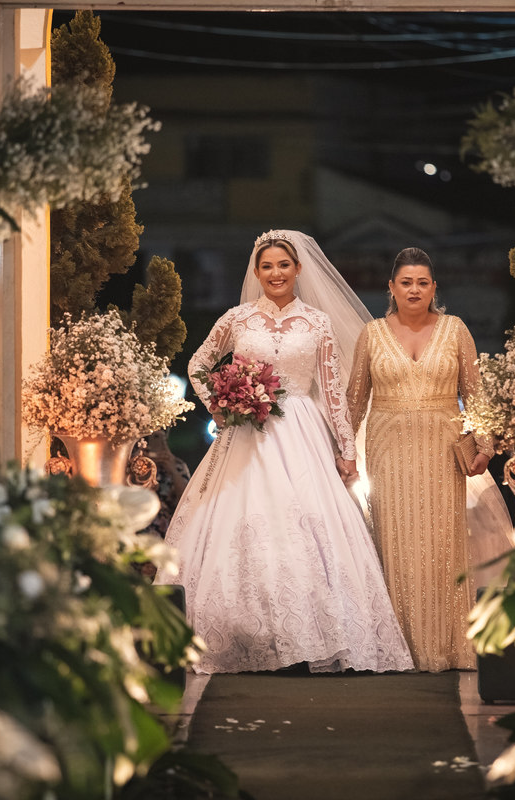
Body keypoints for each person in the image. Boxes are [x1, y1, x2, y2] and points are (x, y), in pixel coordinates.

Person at [156, 230, 413, 674]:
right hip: (247, 433)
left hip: (301, 430)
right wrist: (221, 404)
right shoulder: (236, 319)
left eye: (283, 265)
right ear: (256, 272)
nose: (275, 273)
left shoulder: (317, 322)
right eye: (267, 266)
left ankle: (316, 636)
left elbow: (332, 390)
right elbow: (198, 364)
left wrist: (347, 450)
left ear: (298, 270)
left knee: (310, 523)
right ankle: (244, 635)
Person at [347, 247, 504, 672]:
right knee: (394, 541)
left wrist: (486, 446)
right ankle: (396, 648)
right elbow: (354, 402)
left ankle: (447, 645)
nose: (414, 289)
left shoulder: (455, 330)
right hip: (387, 446)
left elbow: (475, 394)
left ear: (434, 287)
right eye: (405, 282)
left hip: (441, 444)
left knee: (441, 542)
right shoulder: (371, 333)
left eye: (422, 282)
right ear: (391, 288)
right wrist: (343, 454)